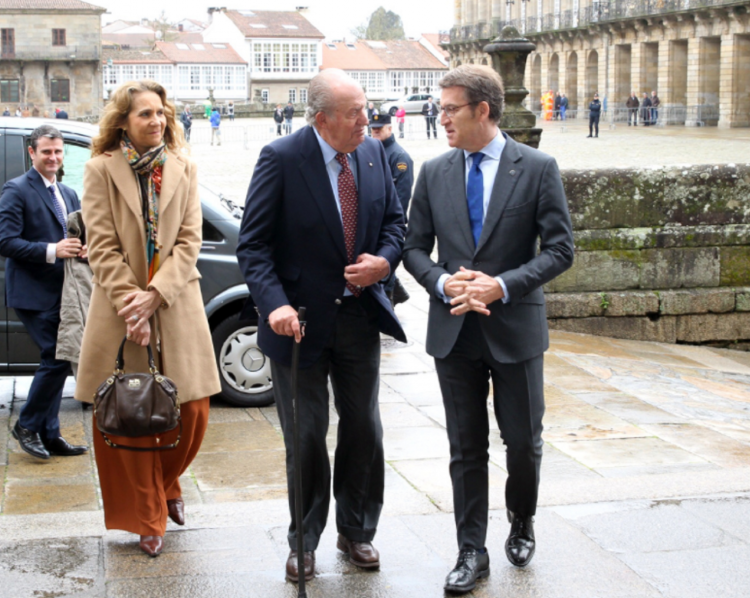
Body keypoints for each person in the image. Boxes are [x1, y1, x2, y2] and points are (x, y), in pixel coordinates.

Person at [402, 65, 574, 594]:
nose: (441, 116)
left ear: (483, 110)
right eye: (440, 107)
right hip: (454, 331)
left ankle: (521, 519)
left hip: (515, 327)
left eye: (450, 108)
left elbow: (561, 250)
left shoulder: (538, 167)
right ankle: (470, 551)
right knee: (465, 445)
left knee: (522, 442)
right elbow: (412, 248)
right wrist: (442, 283)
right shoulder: (433, 171)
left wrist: (501, 285)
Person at [237, 69, 407, 584]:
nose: (367, 118)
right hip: (299, 326)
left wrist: (384, 261)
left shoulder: (374, 153)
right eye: (355, 111)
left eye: (367, 107)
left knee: (364, 429)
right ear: (321, 119)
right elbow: (254, 245)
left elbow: (397, 224)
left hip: (358, 317)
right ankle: (304, 541)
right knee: (307, 436)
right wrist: (275, 305)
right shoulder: (282, 158)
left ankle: (356, 530)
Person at [75, 79, 220, 558]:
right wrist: (131, 305)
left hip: (176, 302)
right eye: (145, 114)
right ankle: (147, 517)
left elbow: (190, 241)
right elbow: (100, 246)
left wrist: (155, 296)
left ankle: (168, 481)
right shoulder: (99, 170)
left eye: (161, 113)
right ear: (123, 121)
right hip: (119, 310)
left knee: (193, 409)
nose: (156, 121)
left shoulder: (184, 166)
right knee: (128, 416)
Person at [0, 124, 89, 462]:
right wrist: (52, 250)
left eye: (58, 151)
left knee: (59, 357)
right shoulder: (16, 189)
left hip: (64, 289)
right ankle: (28, 425)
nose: (53, 157)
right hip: (32, 291)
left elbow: (76, 236)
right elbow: (5, 243)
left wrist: (83, 250)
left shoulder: (68, 193)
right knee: (58, 355)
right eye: (46, 151)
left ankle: (50, 434)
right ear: (32, 152)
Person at [370, 112, 414, 306]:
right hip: (373, 220)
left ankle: (388, 302)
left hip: (386, 221)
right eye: (373, 129)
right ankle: (398, 292)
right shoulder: (368, 151)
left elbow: (402, 196)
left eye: (380, 129)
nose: (376, 132)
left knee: (385, 261)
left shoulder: (399, 157)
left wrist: (391, 222)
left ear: (390, 128)